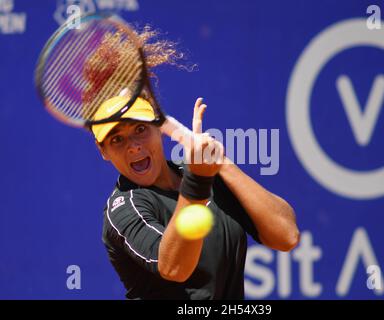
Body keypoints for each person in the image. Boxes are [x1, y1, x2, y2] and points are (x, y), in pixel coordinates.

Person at [90, 29, 300, 300]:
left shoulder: (205, 172)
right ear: (103, 151)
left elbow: (287, 235)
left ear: (159, 128)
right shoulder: (123, 209)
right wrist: (198, 181)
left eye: (140, 129)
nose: (133, 145)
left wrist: (218, 161)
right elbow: (174, 267)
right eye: (116, 139)